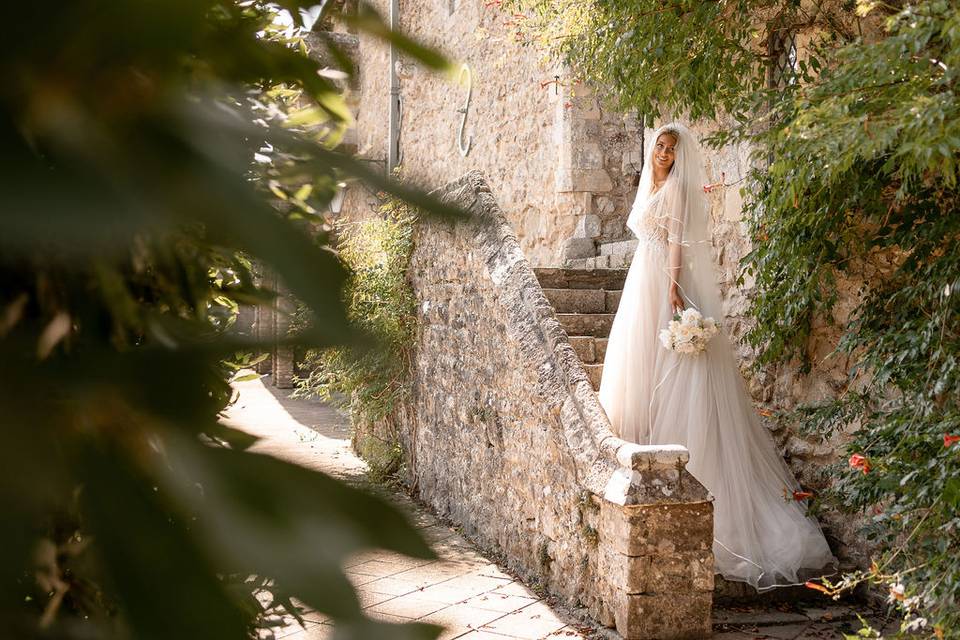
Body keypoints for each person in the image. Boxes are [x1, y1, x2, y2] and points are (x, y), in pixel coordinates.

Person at [598, 122, 837, 590]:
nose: (664, 154)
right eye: (659, 147)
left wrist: (671, 289)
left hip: (659, 282)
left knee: (670, 362)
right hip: (637, 281)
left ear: (679, 155)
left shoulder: (680, 190)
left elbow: (676, 243)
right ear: (652, 151)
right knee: (637, 359)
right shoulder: (652, 184)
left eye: (670, 149)